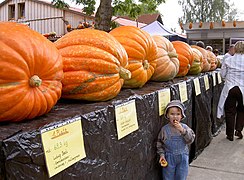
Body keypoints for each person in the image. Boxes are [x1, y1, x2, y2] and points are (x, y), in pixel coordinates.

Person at [156, 100, 195, 180]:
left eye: (178, 114)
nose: (175, 117)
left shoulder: (185, 128)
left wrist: (183, 131)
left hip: (182, 158)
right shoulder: (164, 130)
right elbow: (159, 144)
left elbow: (190, 140)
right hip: (169, 158)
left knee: (181, 176)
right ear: (167, 115)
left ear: (181, 116)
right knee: (168, 177)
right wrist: (162, 155)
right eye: (172, 114)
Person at [217, 41, 244, 141]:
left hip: (230, 88)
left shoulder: (228, 60)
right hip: (243, 89)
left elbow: (222, 74)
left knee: (230, 111)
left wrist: (227, 79)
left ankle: (229, 134)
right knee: (242, 109)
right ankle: (239, 129)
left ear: (235, 49)